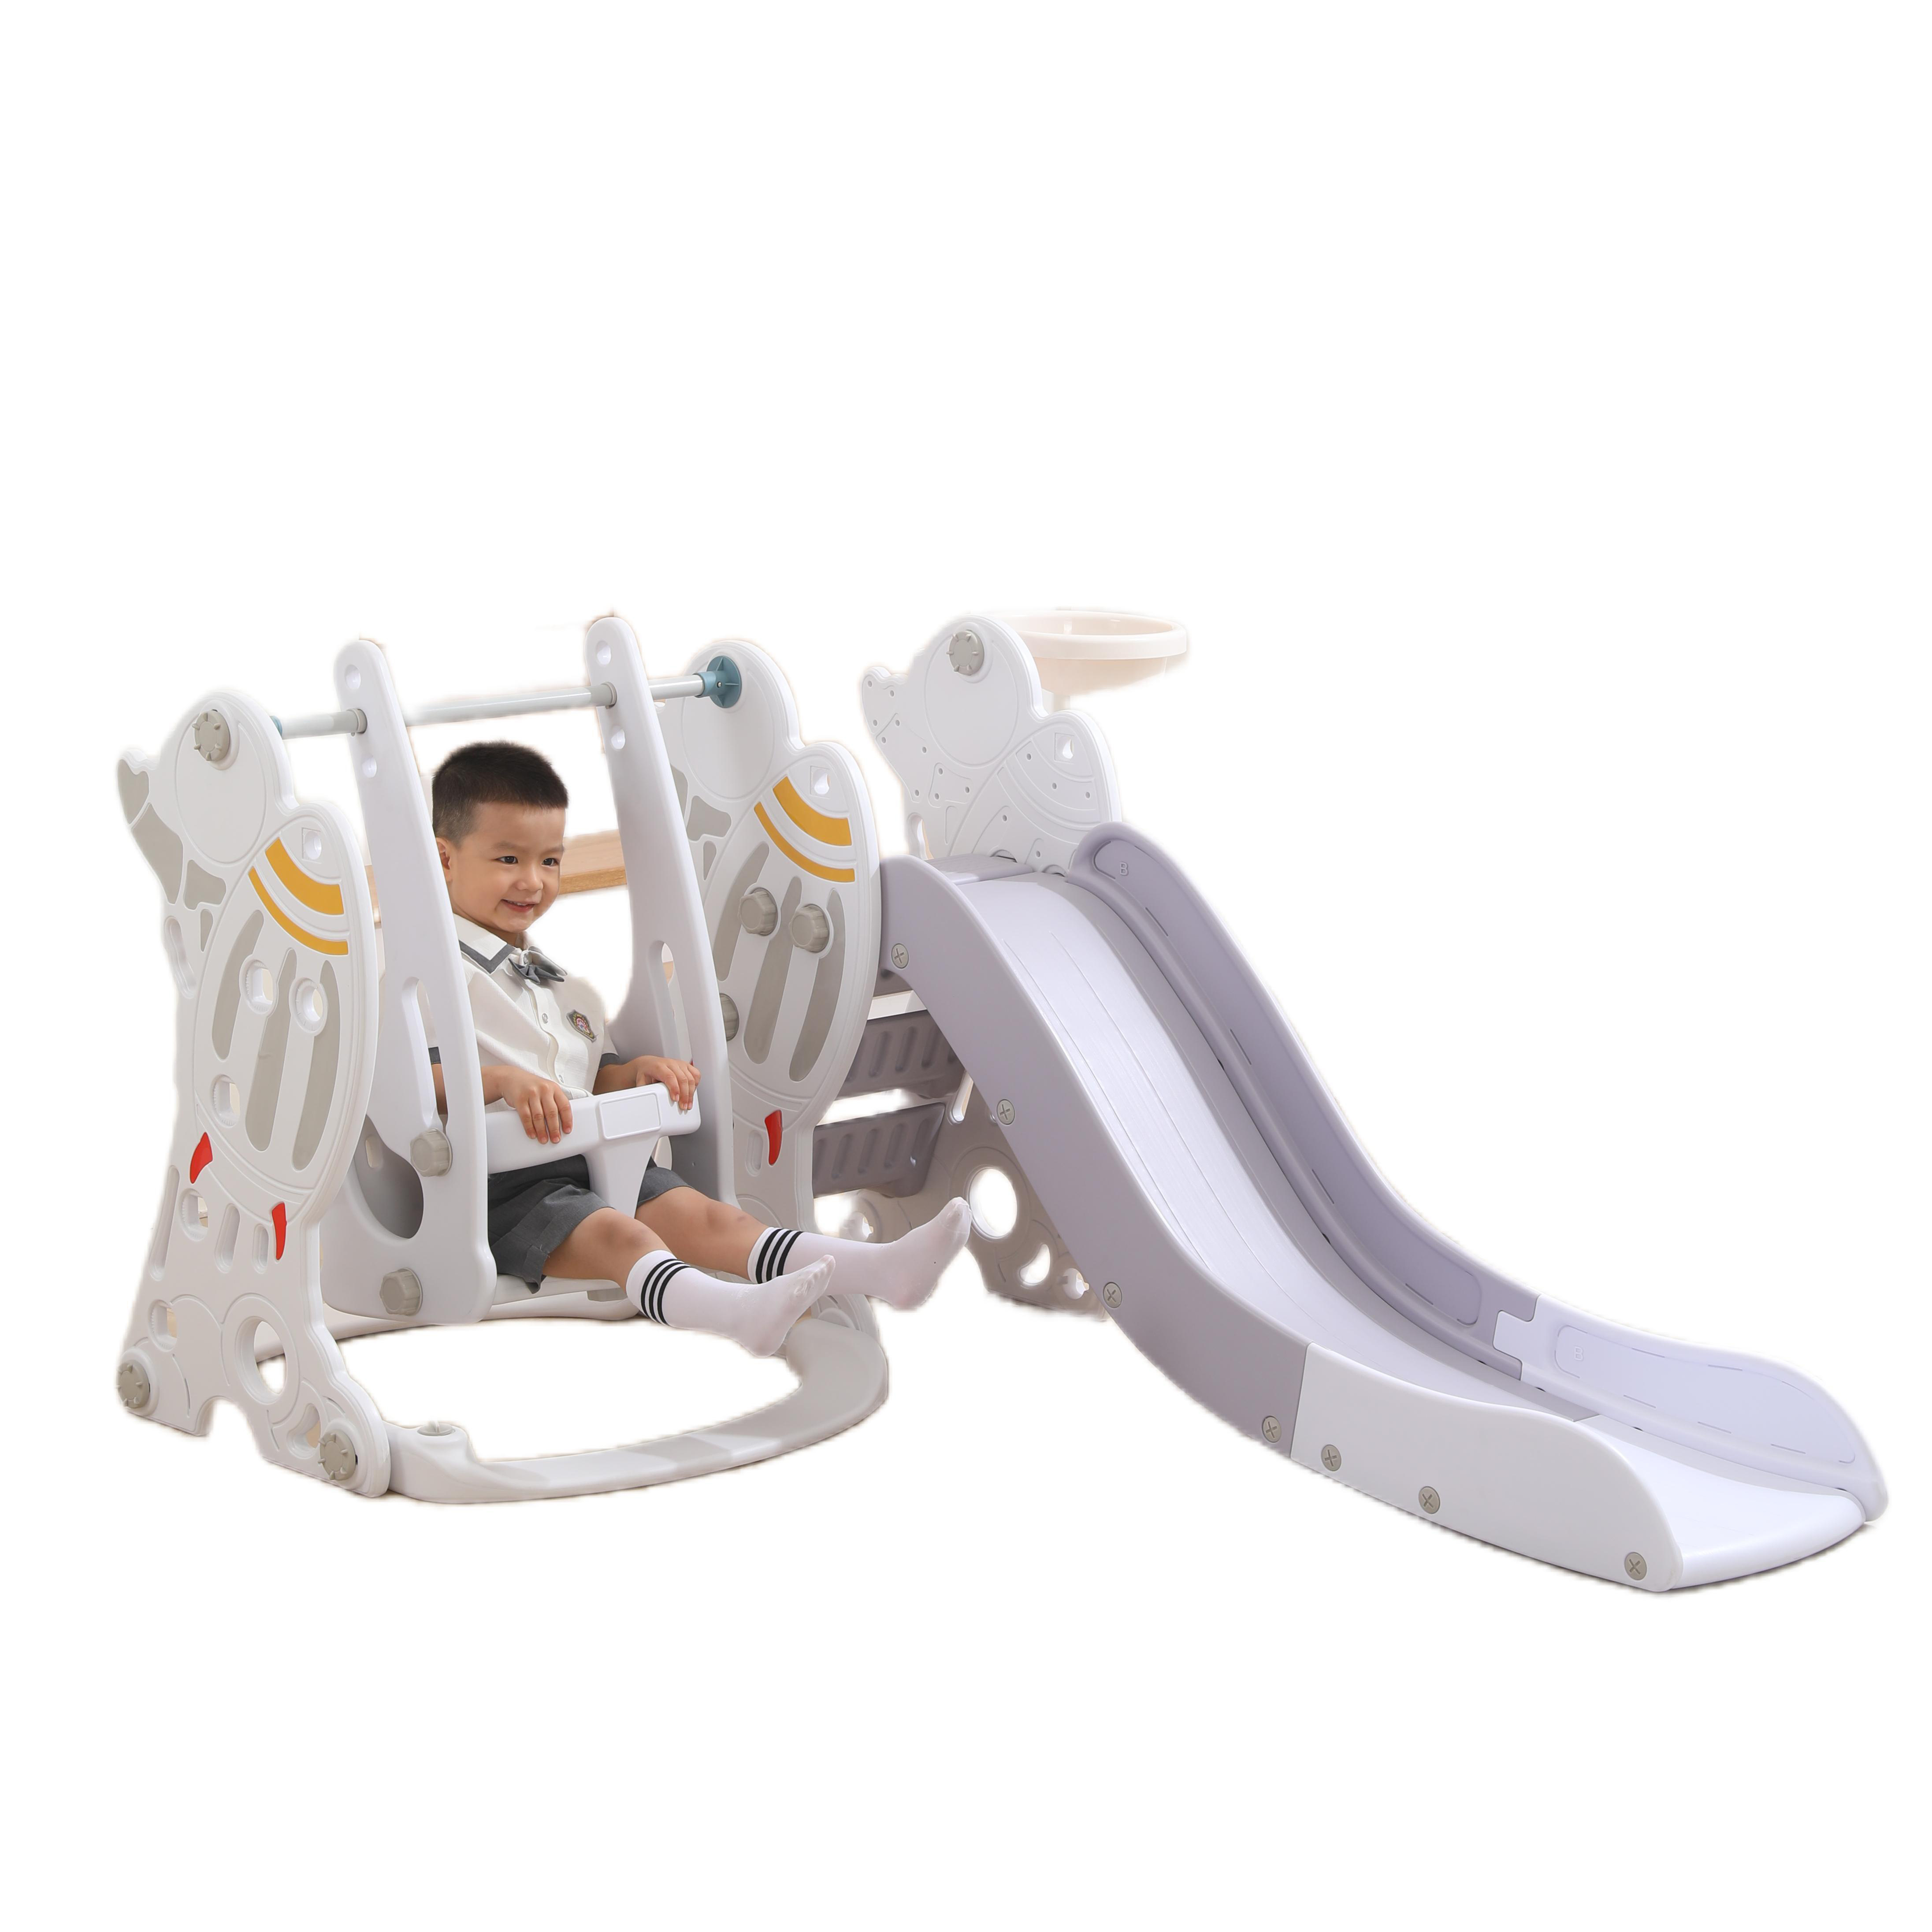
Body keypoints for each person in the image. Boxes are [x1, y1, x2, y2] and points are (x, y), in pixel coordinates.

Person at [426, 739, 970, 1355]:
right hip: (505, 1191)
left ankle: (882, 1271)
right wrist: (502, 1082)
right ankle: (737, 1314)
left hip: (599, 1161)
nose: (533, 881)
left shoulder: (561, 986)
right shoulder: (428, 976)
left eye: (550, 861)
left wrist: (637, 1072)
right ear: (446, 859)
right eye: (508, 859)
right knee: (627, 1239)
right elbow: (408, 1084)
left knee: (716, 1218)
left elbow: (593, 1076)